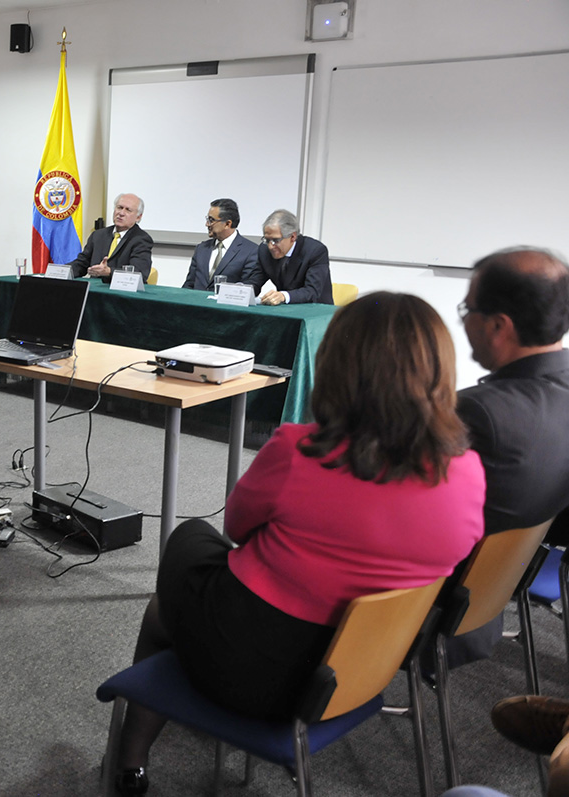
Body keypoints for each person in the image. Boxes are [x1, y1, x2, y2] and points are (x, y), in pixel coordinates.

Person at [111, 292, 485, 796]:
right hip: (363, 672)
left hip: (256, 675)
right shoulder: (467, 470)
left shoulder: (300, 449)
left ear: (338, 365)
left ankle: (130, 761)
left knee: (182, 559)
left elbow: (239, 529)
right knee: (198, 555)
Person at [440, 247, 569, 667]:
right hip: (503, 584)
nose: (463, 319)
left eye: (467, 308)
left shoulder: (477, 412)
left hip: (426, 605)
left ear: (499, 325)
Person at [249, 208, 333, 305]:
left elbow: (312, 291)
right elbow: (255, 281)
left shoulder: (315, 251)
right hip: (284, 310)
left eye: (276, 240)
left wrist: (283, 296)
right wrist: (238, 292)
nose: (270, 246)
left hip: (316, 311)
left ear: (293, 237)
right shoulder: (264, 251)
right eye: (267, 240)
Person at [66, 193, 153, 283]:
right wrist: (60, 272)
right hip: (95, 291)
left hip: (122, 292)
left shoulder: (141, 239)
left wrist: (109, 272)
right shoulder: (98, 235)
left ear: (138, 217)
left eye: (128, 210)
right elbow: (81, 264)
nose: (121, 213)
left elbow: (139, 274)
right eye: (119, 207)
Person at [181, 198, 258, 291]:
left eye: (211, 220)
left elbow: (247, 290)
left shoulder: (250, 251)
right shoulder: (202, 248)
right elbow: (189, 284)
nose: (207, 224)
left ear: (227, 224)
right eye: (207, 219)